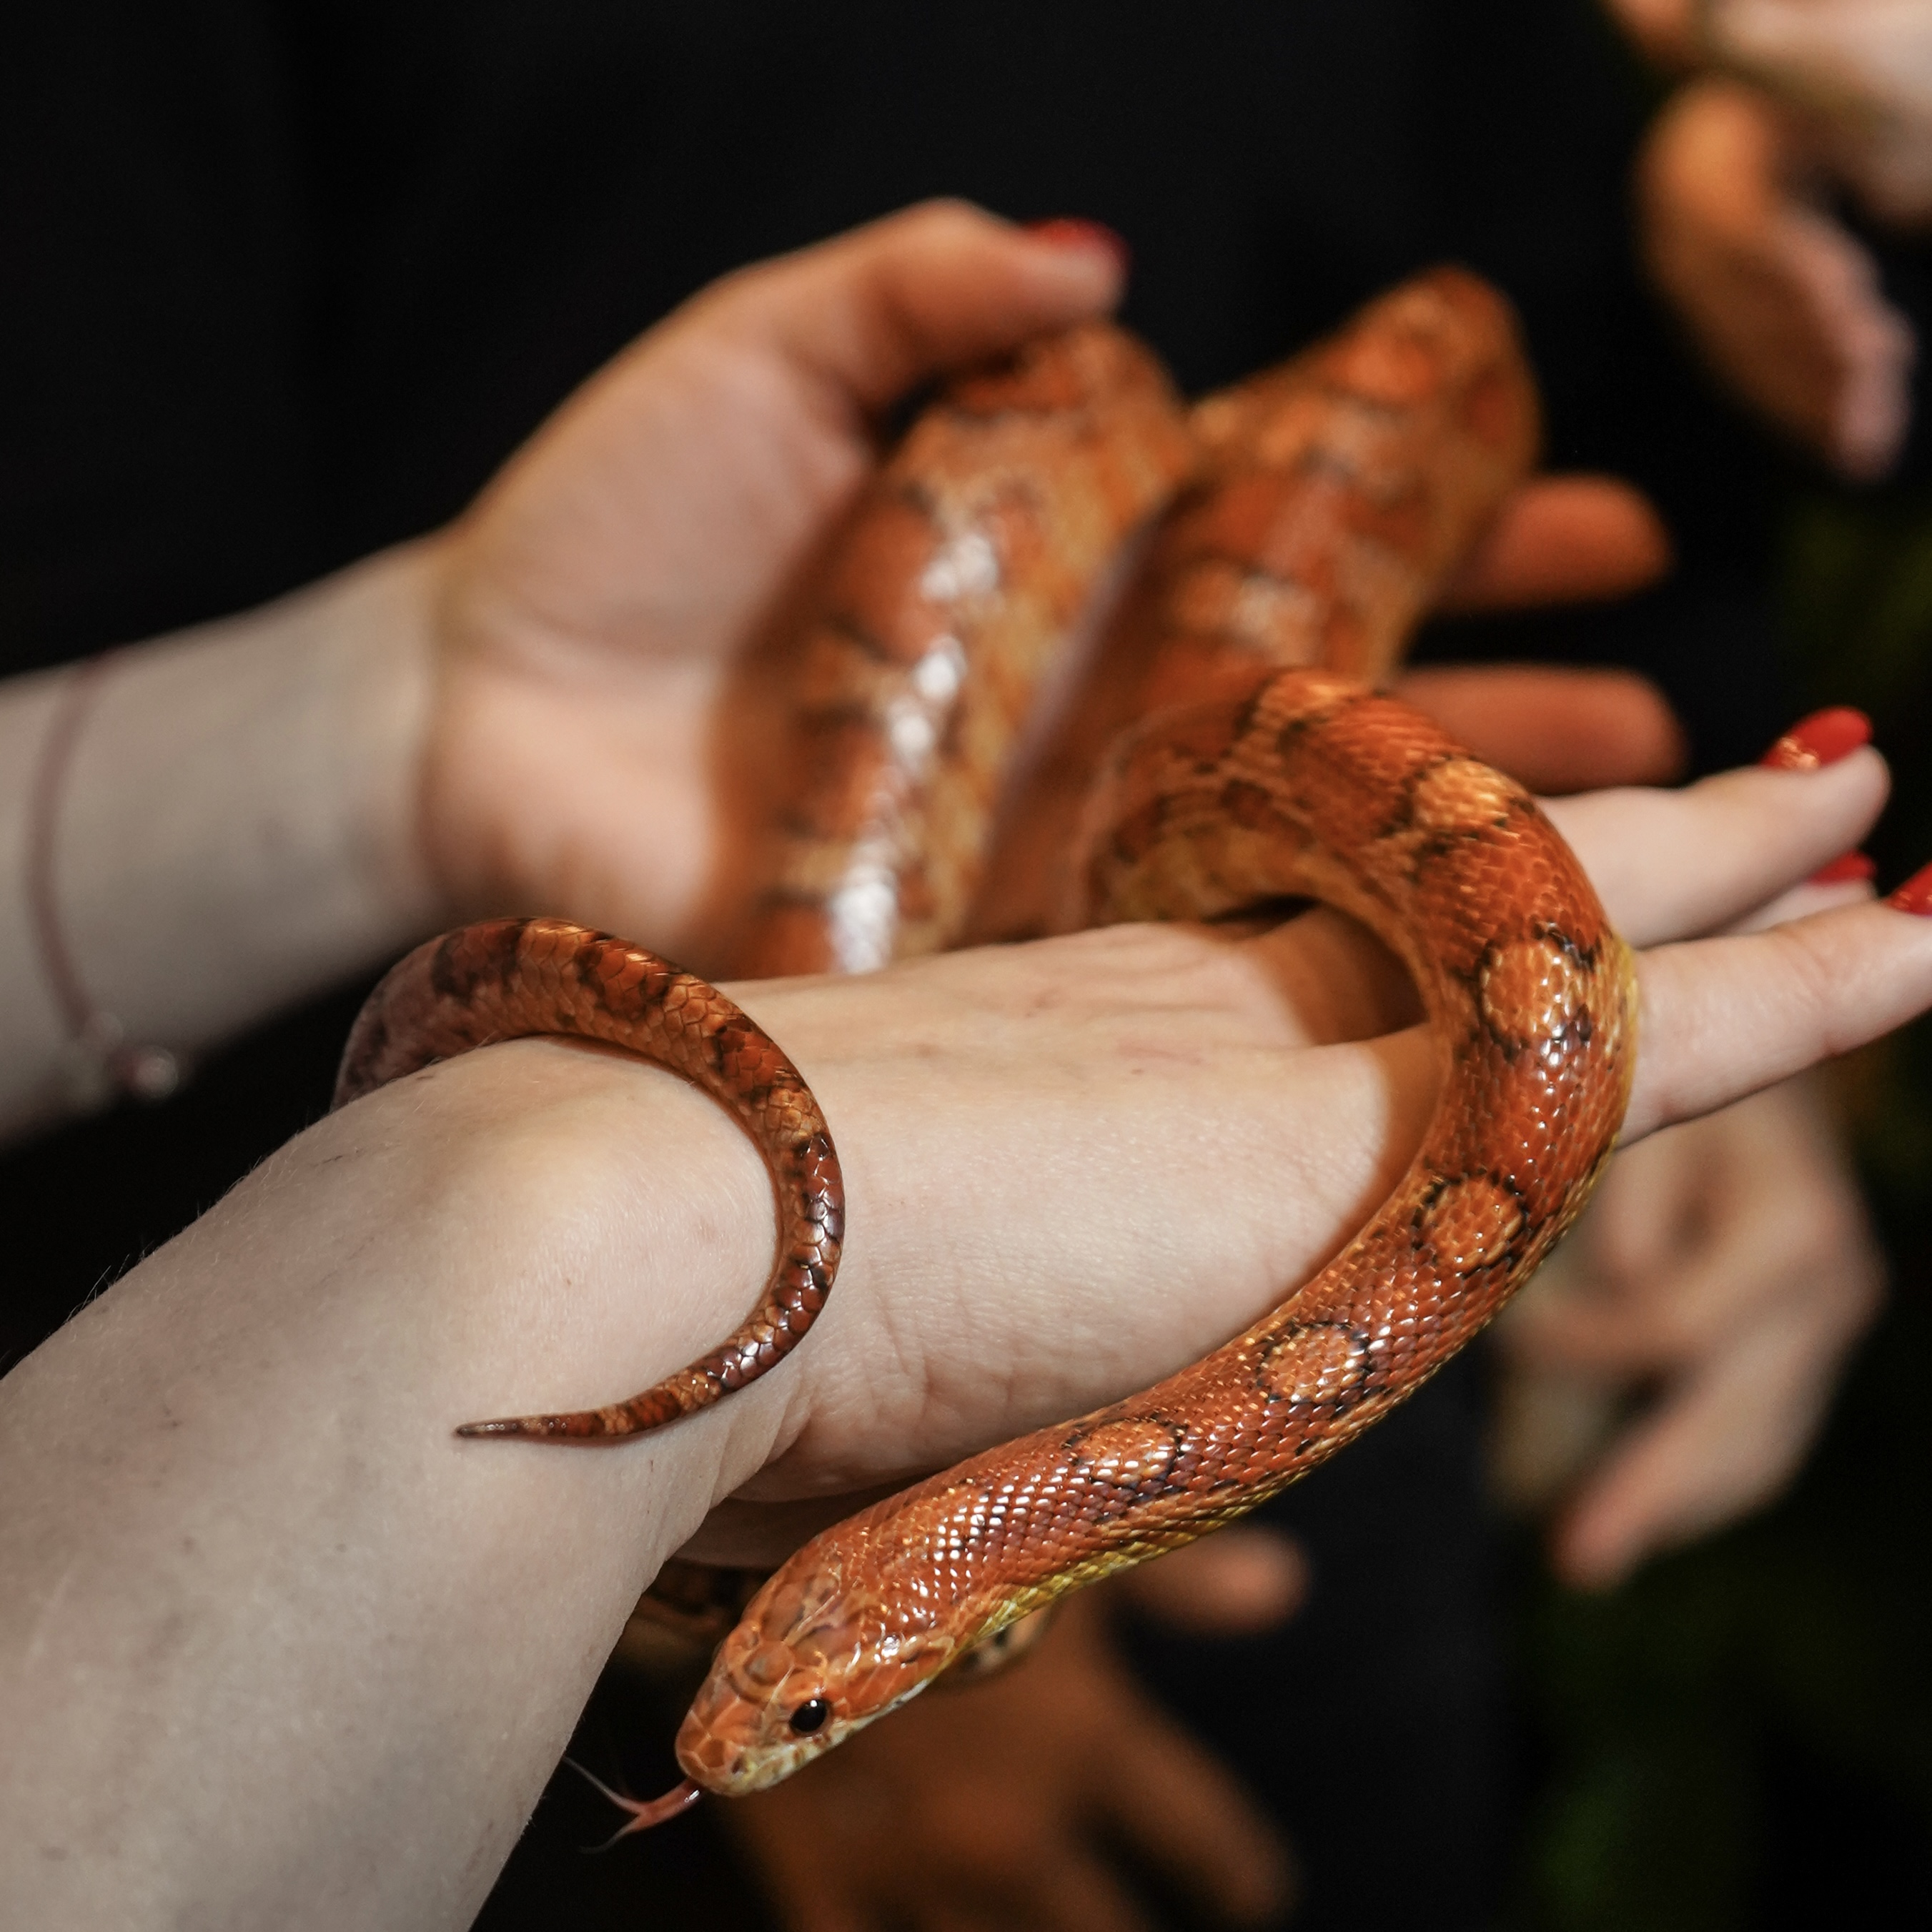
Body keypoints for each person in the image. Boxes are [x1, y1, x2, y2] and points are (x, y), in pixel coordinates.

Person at [3, 204, 1929, 1932]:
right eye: (803, 1681)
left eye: (809, 1688)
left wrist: (1718, 1072)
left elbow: (1667, 395)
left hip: (1364, 1573)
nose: (768, 1716)